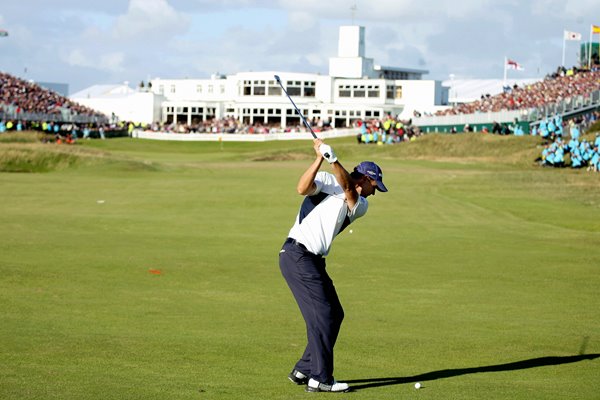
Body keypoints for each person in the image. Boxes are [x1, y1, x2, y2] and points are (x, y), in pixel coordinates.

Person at [279, 138, 388, 393]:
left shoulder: (361, 205)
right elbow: (301, 188)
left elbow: (349, 190)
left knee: (334, 314)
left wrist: (334, 158)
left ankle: (304, 369)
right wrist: (319, 158)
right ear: (365, 178)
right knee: (322, 315)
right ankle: (321, 379)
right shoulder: (328, 181)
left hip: (313, 260)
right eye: (374, 185)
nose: (375, 191)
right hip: (297, 255)